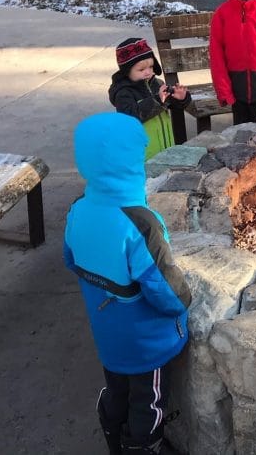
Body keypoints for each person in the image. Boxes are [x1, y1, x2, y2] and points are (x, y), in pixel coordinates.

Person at [64, 112, 192, 454]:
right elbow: (163, 289)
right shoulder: (141, 223)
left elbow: (70, 259)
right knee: (148, 399)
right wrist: (185, 301)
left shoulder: (78, 209)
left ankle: (112, 432)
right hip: (145, 341)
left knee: (117, 387)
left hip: (107, 333)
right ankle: (144, 445)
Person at [109, 37, 190, 159]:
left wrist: (180, 98)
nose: (148, 72)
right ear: (127, 71)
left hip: (165, 147)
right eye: (141, 69)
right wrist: (157, 100)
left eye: (151, 67)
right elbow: (131, 116)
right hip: (142, 155)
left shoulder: (157, 83)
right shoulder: (124, 93)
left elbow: (173, 105)